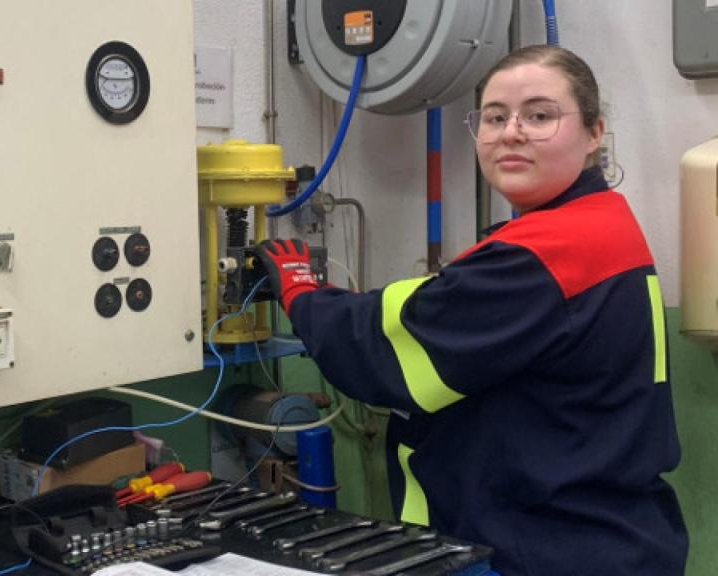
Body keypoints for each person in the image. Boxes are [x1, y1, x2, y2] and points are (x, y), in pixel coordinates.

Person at [257, 45, 688, 574]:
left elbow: (384, 350)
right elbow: (456, 310)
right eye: (494, 116)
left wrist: (302, 293)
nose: (512, 132)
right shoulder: (601, 220)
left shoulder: (551, 250)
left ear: (594, 132)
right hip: (608, 535)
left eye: (539, 115)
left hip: (545, 549)